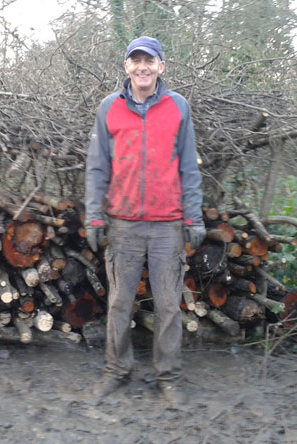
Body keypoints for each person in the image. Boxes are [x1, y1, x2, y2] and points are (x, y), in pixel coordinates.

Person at [84, 36, 206, 406]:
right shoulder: (109, 108)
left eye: (149, 61)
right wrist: (93, 216)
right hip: (123, 224)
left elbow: (188, 166)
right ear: (126, 67)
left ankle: (168, 377)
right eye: (136, 61)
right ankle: (116, 370)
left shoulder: (177, 107)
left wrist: (193, 217)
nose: (142, 67)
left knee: (169, 305)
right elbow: (97, 166)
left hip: (167, 224)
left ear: (161, 67)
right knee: (120, 302)